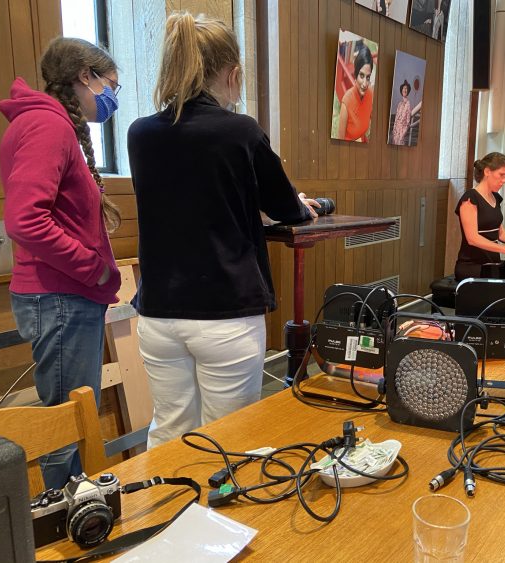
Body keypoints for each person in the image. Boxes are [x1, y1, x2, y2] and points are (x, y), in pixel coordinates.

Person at [127, 12, 319, 448]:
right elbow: (286, 208)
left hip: (159, 313)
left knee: (170, 432)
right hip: (224, 312)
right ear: (233, 74)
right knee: (229, 440)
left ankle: (170, 513)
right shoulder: (241, 131)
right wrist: (302, 207)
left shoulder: (139, 134)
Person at [0, 37, 122, 489]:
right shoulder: (47, 127)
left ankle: (75, 508)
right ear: (84, 77)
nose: (112, 98)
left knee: (69, 419)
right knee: (66, 427)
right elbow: (25, 219)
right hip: (62, 295)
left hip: (62, 294)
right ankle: (71, 518)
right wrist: (92, 268)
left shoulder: (47, 126)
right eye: (111, 85)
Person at [454, 152, 505, 281]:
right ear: (487, 172)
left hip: (492, 262)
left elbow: (500, 233)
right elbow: (473, 238)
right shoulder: (470, 198)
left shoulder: (496, 198)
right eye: (502, 175)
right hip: (473, 265)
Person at [337, 43, 374, 142]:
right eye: (361, 76)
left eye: (368, 77)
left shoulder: (370, 93)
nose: (365, 83)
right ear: (355, 75)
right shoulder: (346, 103)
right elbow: (340, 139)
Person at [390, 80, 412, 145]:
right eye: (403, 88)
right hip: (395, 133)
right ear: (401, 90)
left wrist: (402, 134)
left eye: (406, 89)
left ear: (408, 91)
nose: (404, 90)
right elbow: (396, 119)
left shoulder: (408, 103)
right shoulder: (399, 104)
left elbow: (408, 122)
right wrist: (394, 132)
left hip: (401, 134)